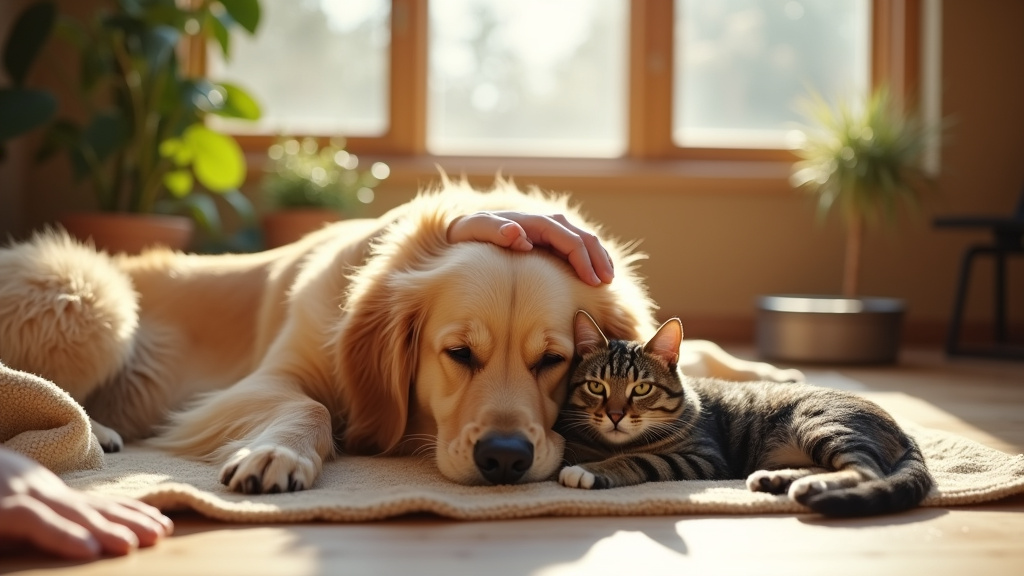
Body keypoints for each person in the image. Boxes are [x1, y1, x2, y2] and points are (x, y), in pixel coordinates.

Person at [0, 210, 615, 559]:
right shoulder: (348, 297)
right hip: (79, 297)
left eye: (548, 361)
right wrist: (301, 428)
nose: (507, 436)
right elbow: (269, 388)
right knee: (89, 311)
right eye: (461, 354)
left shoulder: (570, 306)